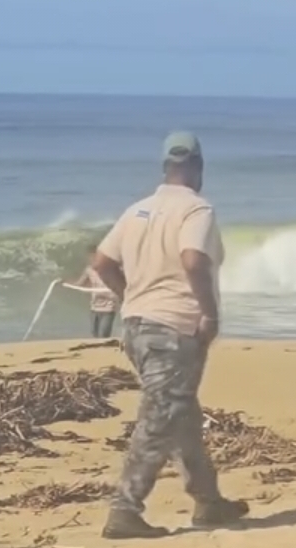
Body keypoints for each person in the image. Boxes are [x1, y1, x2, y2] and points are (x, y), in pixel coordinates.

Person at [90, 131, 248, 539]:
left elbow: (102, 262)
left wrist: (132, 299)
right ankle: (125, 509)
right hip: (175, 328)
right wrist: (209, 316)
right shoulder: (197, 209)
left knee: (182, 415)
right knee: (161, 418)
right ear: (197, 167)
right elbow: (193, 260)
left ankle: (209, 502)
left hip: (137, 328)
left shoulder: (138, 209)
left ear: (165, 166)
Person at [65, 244, 120, 338]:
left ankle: (104, 352)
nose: (91, 260)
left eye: (94, 257)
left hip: (108, 308)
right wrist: (65, 283)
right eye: (90, 258)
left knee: (103, 336)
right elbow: (79, 283)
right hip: (94, 308)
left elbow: (118, 286)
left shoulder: (110, 269)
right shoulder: (89, 270)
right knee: (94, 335)